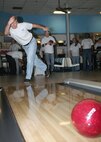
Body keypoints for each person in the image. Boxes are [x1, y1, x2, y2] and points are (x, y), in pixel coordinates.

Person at [4, 16, 48, 82]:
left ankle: (28, 77)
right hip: (24, 46)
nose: (13, 25)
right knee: (34, 60)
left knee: (30, 59)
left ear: (17, 22)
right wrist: (8, 24)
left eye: (14, 23)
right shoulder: (10, 30)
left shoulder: (23, 25)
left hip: (32, 42)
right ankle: (45, 68)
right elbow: (5, 33)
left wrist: (43, 28)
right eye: (11, 23)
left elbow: (34, 25)